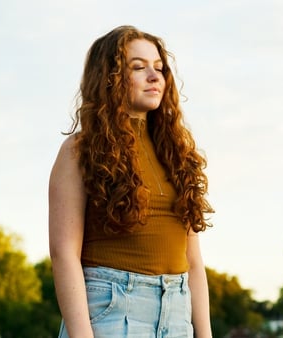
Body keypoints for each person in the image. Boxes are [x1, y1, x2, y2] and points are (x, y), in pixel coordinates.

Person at [48, 25, 214, 338]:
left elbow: (193, 260)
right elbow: (64, 253)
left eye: (159, 68)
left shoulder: (178, 154)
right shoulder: (80, 149)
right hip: (112, 312)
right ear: (108, 78)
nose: (155, 77)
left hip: (178, 314)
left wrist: (203, 333)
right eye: (138, 68)